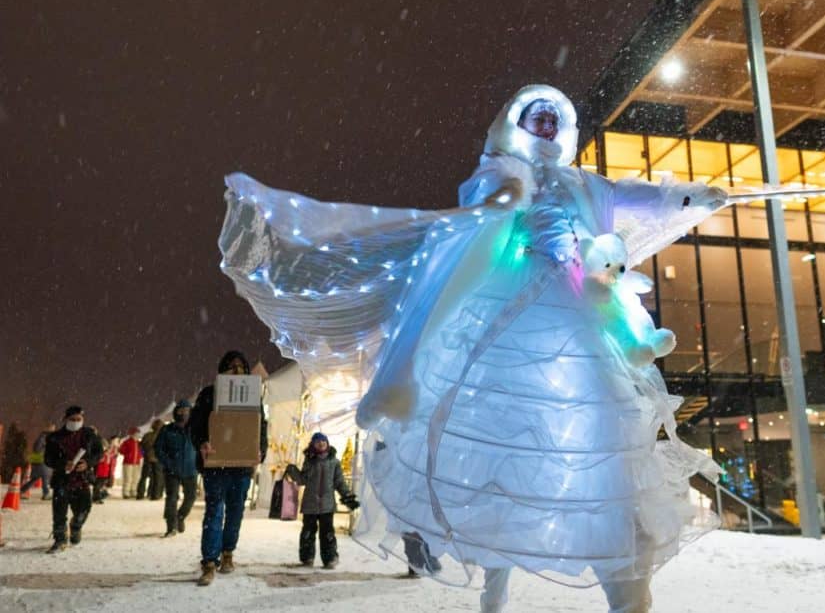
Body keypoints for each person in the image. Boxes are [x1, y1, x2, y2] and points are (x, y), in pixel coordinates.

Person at [218, 85, 735, 612]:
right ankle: (496, 575)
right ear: (517, 125)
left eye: (555, 120)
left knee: (603, 430)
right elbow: (487, 201)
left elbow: (633, 194)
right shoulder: (506, 170)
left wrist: (690, 197)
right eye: (537, 119)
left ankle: (623, 579)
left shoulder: (586, 183)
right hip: (513, 306)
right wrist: (504, 200)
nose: (548, 128)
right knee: (497, 438)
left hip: (578, 308)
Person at [189, 351, 267, 586]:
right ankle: (209, 562)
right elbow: (197, 426)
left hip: (241, 467)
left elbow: (261, 428)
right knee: (214, 512)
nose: (237, 371)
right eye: (232, 366)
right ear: (222, 369)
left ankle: (228, 553)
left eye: (241, 366)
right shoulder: (209, 394)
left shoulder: (254, 396)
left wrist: (260, 450)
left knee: (235, 513)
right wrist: (202, 442)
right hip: (215, 466)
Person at [284, 432, 359, 569]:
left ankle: (330, 558)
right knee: (308, 532)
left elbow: (339, 482)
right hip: (310, 504)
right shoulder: (309, 461)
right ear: (313, 444)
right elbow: (303, 480)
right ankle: (307, 558)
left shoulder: (334, 462)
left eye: (323, 441)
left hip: (327, 505)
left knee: (328, 533)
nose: (321, 443)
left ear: (327, 443)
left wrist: (347, 496)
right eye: (318, 442)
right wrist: (293, 471)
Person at [43, 406, 103, 552]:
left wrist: (87, 463)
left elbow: (99, 453)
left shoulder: (89, 435)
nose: (76, 422)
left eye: (79, 419)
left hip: (82, 480)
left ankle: (76, 527)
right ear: (66, 419)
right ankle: (60, 540)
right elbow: (48, 459)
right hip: (62, 481)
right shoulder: (54, 437)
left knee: (83, 510)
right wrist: (63, 464)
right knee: (59, 513)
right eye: (72, 419)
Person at [155, 400, 198, 538]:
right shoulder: (167, 430)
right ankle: (170, 526)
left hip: (191, 469)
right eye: (181, 410)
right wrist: (168, 463)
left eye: (186, 410)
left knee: (191, 497)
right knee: (171, 498)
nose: (184, 413)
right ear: (176, 412)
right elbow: (158, 449)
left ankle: (180, 516)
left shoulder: (196, 429)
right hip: (172, 470)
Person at [23, 424, 56, 500]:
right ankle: (46, 493)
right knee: (46, 477)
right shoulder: (43, 438)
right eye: (52, 428)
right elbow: (37, 449)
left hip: (42, 460)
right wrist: (46, 447)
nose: (53, 430)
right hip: (42, 460)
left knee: (35, 478)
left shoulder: (46, 437)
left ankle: (22, 490)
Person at [137, 419, 165, 501]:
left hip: (147, 458)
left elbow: (141, 446)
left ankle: (140, 494)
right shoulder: (163, 436)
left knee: (144, 477)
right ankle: (155, 495)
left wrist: (144, 454)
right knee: (157, 478)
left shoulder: (147, 435)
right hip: (158, 459)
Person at [119, 428, 143, 498]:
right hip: (128, 463)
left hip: (137, 463)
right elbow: (121, 450)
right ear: (132, 434)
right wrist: (128, 454)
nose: (137, 435)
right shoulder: (127, 442)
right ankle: (126, 492)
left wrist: (141, 456)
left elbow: (142, 452)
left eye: (138, 433)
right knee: (128, 478)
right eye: (136, 433)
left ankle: (133, 491)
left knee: (136, 478)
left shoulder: (139, 443)